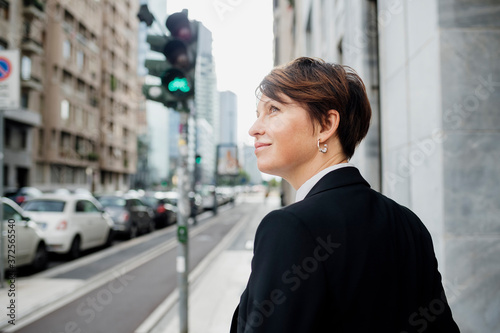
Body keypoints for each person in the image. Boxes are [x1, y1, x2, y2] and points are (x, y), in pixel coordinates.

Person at [230, 57, 459, 333]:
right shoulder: (408, 223)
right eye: (258, 113)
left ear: (327, 124)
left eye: (273, 109)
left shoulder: (290, 228)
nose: (254, 128)